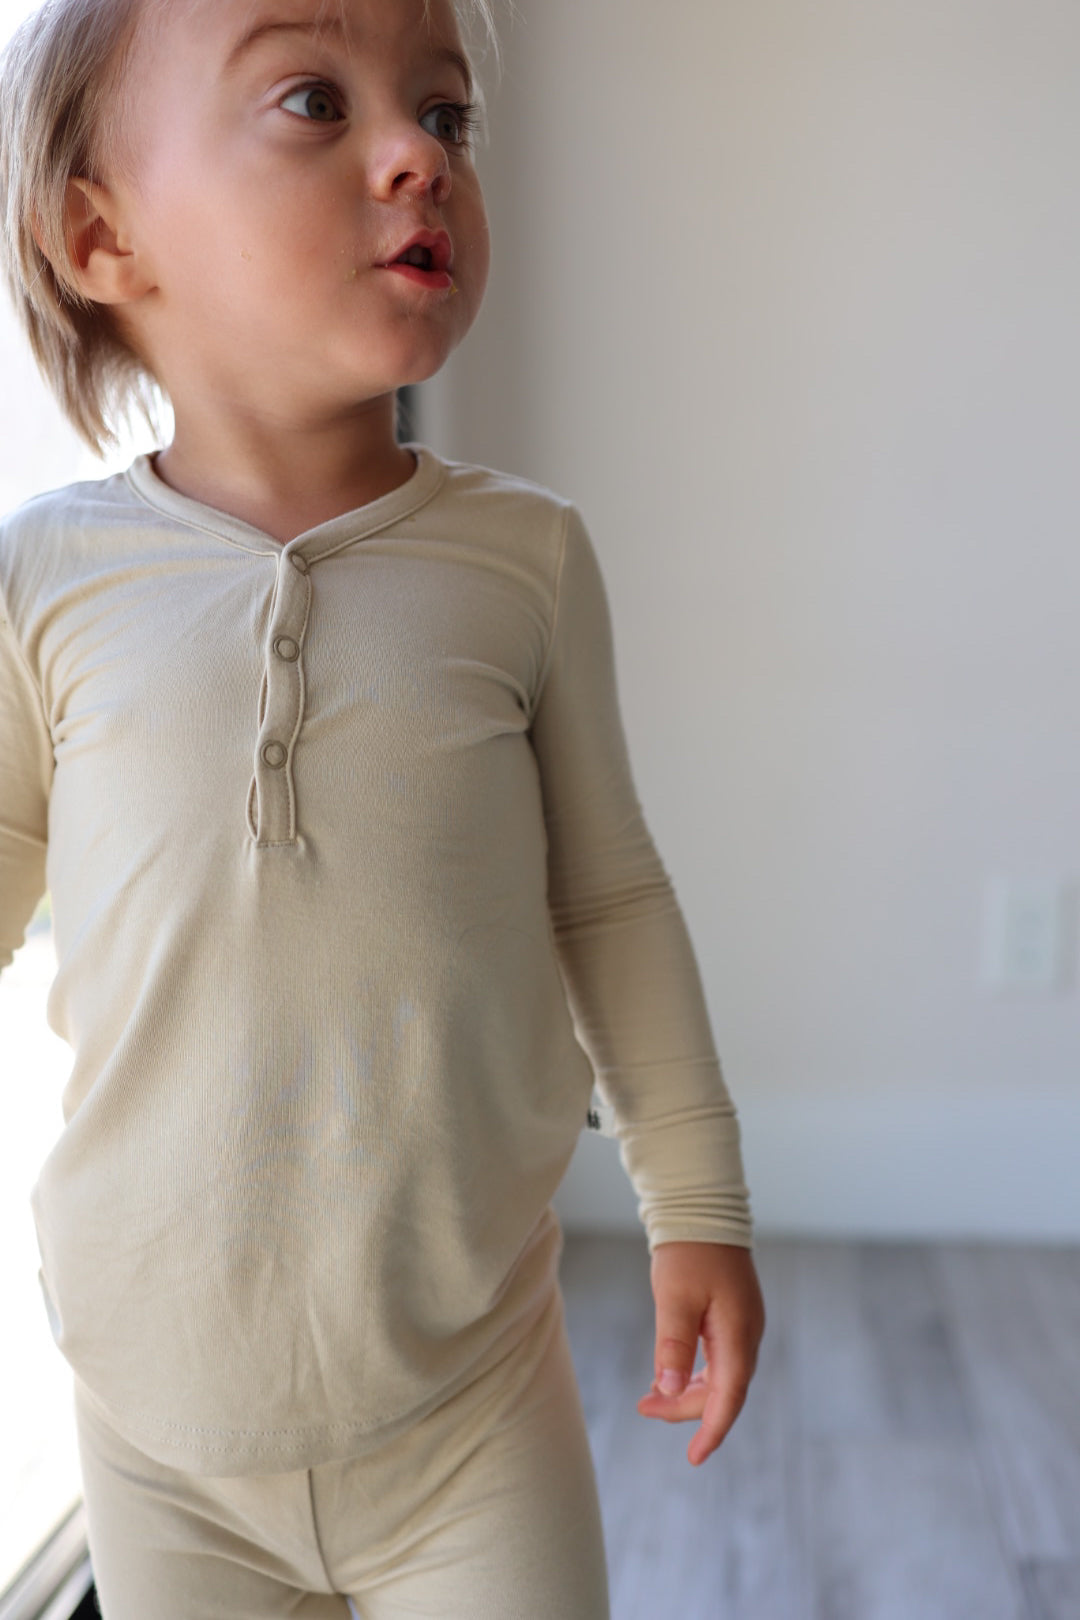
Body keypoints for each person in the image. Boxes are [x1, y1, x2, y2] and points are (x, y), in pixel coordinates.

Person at [0, 0, 766, 1614]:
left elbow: (609, 896)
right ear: (101, 233)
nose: (417, 153)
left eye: (447, 114)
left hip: (470, 1398)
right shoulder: (45, 581)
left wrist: (693, 1201)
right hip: (153, 1419)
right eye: (310, 102)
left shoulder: (524, 561)